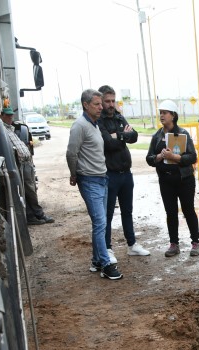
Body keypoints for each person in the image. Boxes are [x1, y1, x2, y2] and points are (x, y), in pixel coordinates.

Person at [66, 89, 122, 280]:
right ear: (85, 105)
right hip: (89, 180)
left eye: (101, 104)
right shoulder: (79, 126)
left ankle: (97, 260)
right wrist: (74, 174)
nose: (101, 107)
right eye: (97, 104)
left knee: (100, 222)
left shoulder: (94, 124)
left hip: (101, 178)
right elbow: (71, 153)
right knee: (100, 223)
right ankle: (106, 265)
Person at [97, 85, 150, 261]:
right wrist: (122, 136)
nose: (111, 104)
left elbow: (134, 136)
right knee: (108, 214)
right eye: (107, 101)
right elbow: (107, 143)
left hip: (126, 174)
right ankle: (108, 249)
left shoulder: (120, 117)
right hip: (110, 174)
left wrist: (117, 135)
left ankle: (132, 245)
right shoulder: (99, 121)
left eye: (113, 101)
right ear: (101, 102)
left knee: (128, 211)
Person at [146, 99, 199, 257]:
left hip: (184, 180)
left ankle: (195, 243)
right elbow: (149, 158)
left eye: (165, 113)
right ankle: (173, 244)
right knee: (170, 212)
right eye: (160, 113)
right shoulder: (157, 136)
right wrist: (158, 157)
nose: (161, 116)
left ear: (173, 115)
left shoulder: (183, 134)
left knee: (188, 210)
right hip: (166, 181)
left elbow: (193, 157)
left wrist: (174, 157)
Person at [0, 106, 55, 225]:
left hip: (26, 162)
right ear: (2, 116)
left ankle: (32, 216)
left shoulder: (10, 129)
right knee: (29, 190)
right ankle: (39, 214)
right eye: (7, 115)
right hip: (21, 164)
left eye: (11, 115)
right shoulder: (3, 130)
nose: (10, 117)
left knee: (29, 190)